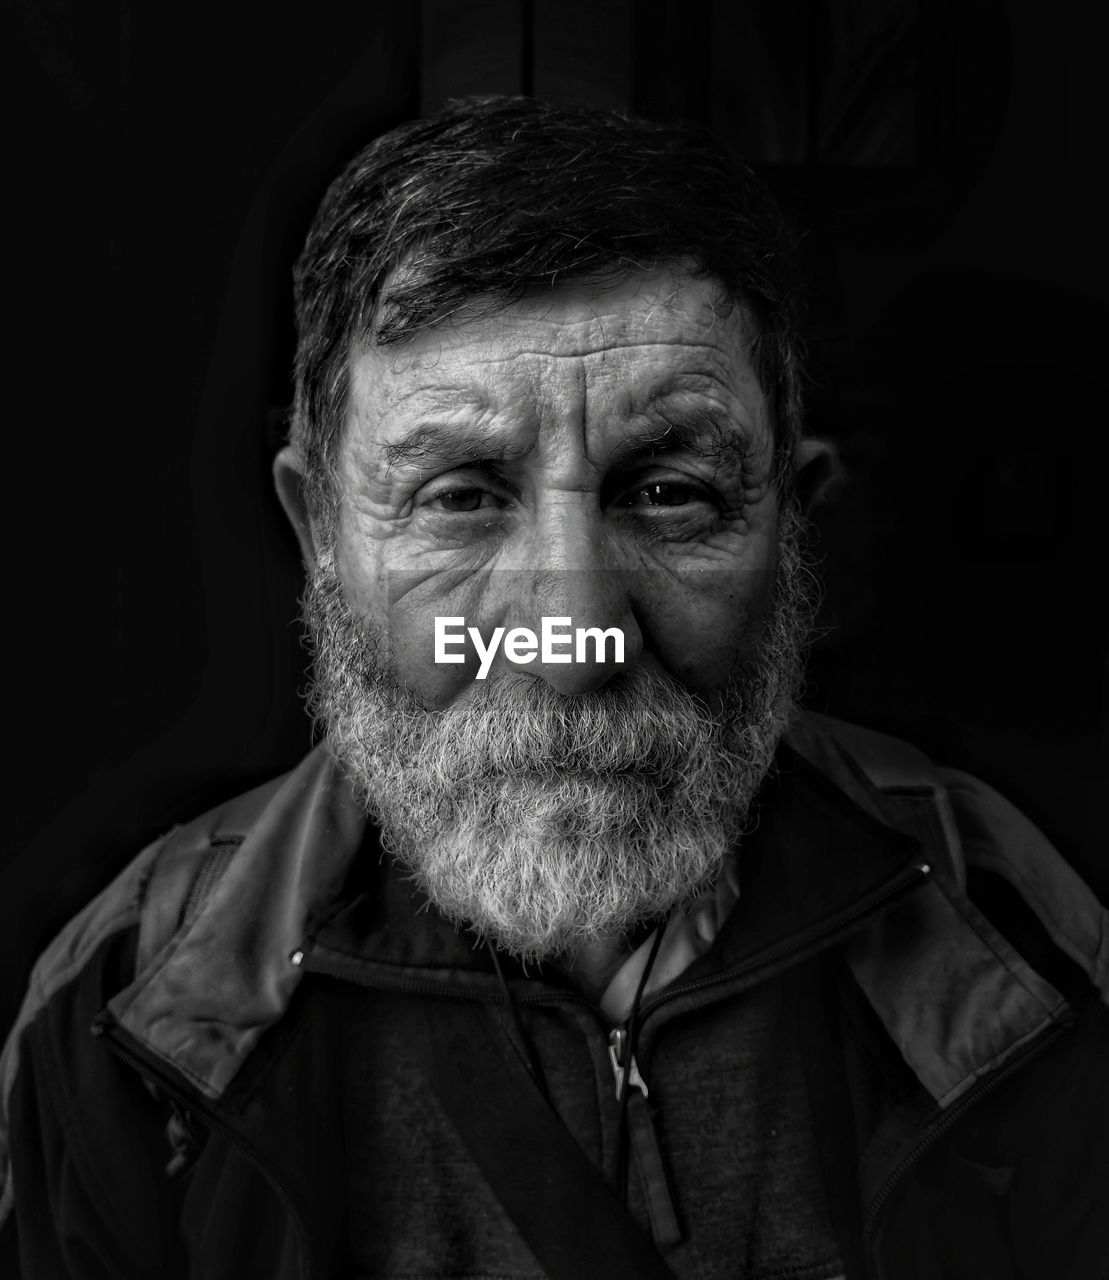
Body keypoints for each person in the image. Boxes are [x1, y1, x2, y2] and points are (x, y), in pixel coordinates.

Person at [1, 95, 1105, 1280]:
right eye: (462, 495)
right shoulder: (134, 1007)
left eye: (670, 492)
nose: (573, 635)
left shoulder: (1003, 934)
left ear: (795, 532)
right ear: (316, 527)